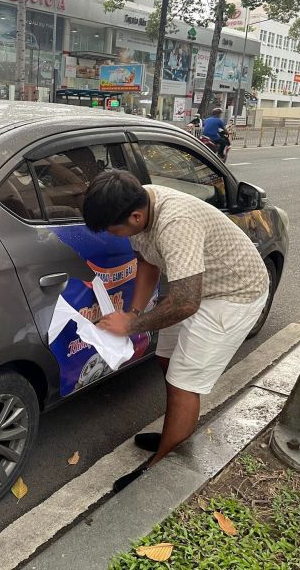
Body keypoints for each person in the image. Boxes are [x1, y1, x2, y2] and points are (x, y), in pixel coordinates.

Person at [82, 172, 269, 492]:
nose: (114, 237)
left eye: (114, 231)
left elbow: (185, 304)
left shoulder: (175, 225)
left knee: (184, 382)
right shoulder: (141, 203)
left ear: (135, 216)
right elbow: (148, 263)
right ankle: (176, 432)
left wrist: (130, 326)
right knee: (168, 361)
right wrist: (134, 313)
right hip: (195, 289)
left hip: (232, 295)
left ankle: (160, 469)